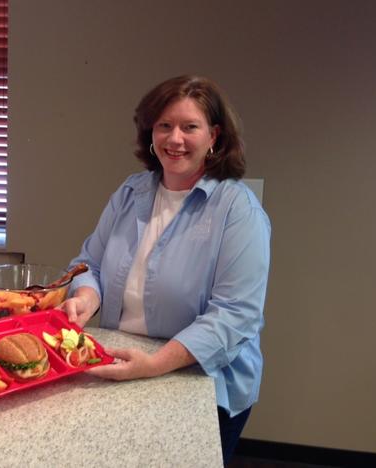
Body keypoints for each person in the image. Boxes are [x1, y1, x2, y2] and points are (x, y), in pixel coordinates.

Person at [60, 75, 271, 465]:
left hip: (201, 382)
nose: (175, 139)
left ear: (214, 136)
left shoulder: (237, 210)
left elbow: (236, 315)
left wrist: (155, 364)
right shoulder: (131, 192)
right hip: (122, 362)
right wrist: (86, 296)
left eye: (190, 126)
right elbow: (88, 263)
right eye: (164, 125)